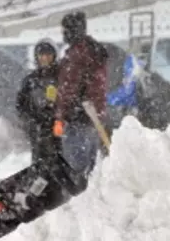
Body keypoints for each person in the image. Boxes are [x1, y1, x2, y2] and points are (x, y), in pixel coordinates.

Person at [54, 11, 108, 182]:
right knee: (89, 167)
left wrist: (61, 115)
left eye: (65, 30)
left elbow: (68, 89)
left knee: (75, 170)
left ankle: (79, 201)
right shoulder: (94, 51)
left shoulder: (77, 55)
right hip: (92, 116)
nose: (63, 34)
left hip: (77, 117)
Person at [16, 39, 60, 169]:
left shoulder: (61, 78)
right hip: (37, 129)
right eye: (42, 55)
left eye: (48, 54)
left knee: (57, 163)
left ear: (54, 56)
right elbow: (20, 104)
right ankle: (39, 187)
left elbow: (68, 101)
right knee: (39, 163)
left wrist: (57, 117)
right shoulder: (30, 80)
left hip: (57, 129)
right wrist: (31, 120)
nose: (45, 58)